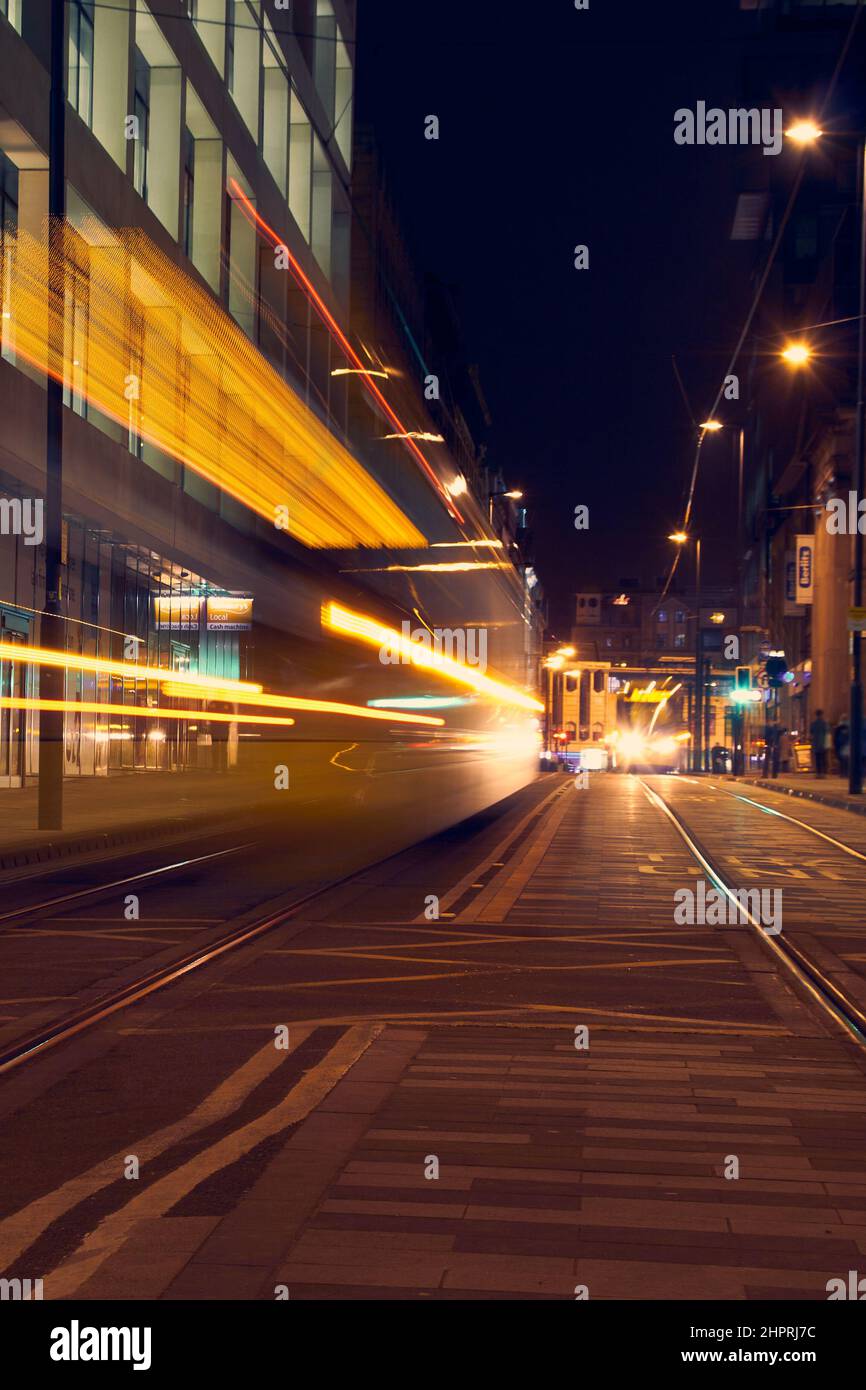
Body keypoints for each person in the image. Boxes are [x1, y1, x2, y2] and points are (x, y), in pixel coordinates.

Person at [810, 709, 829, 778]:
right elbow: (827, 733)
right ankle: (823, 773)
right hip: (823, 743)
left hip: (816, 744)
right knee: (823, 759)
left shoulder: (813, 724)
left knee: (818, 759)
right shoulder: (824, 723)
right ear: (821, 715)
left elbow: (811, 733)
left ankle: (818, 773)